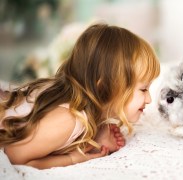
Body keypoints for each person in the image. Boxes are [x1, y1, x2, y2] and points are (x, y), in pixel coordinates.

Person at [0, 23, 160, 169]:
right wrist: (72, 158)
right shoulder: (68, 119)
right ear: (105, 87)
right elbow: (15, 156)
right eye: (143, 89)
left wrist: (99, 135)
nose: (149, 99)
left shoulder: (90, 112)